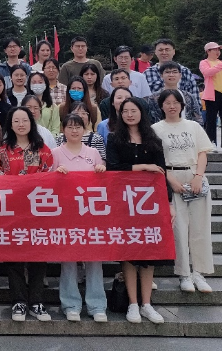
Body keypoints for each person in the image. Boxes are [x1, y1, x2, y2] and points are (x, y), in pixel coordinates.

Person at [106, 97, 173, 324]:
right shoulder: (115, 139)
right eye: (125, 111)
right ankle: (132, 304)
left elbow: (162, 173)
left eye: (133, 110)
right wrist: (143, 166)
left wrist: (169, 204)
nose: (129, 114)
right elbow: (113, 168)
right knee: (128, 252)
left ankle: (146, 304)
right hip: (124, 204)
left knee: (148, 254)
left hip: (150, 206)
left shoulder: (153, 139)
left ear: (142, 113)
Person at [153, 90, 215, 294]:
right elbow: (156, 159)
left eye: (176, 102)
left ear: (182, 105)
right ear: (161, 106)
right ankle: (184, 274)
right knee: (178, 229)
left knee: (200, 227)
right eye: (167, 102)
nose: (172, 106)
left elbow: (202, 152)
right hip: (171, 177)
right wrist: (170, 180)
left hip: (195, 175)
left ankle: (199, 273)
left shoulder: (193, 126)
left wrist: (198, 176)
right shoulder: (156, 129)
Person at [0, 106, 53, 322]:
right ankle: (19, 301)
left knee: (38, 256)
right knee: (14, 257)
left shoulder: (42, 149)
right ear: (10, 125)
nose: (21, 124)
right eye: (16, 121)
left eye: (25, 120)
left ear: (32, 123)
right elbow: (1, 175)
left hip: (38, 211)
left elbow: (47, 177)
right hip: (12, 210)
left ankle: (36, 301)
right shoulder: (4, 150)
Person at [52, 114, 108, 323]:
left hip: (90, 214)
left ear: (85, 129)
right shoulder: (56, 153)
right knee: (68, 260)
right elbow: (46, 182)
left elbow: (104, 183)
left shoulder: (93, 153)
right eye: (70, 127)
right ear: (63, 130)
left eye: (78, 127)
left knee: (94, 260)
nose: (74, 131)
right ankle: (70, 304)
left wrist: (101, 170)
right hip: (65, 214)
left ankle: (97, 305)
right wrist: (55, 173)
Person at [144, 39, 200, 108]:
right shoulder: (147, 73)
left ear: (173, 51)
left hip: (183, 111)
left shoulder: (185, 71)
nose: (164, 52)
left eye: (167, 50)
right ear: (155, 52)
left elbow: (195, 95)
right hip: (156, 112)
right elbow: (144, 98)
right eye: (160, 50)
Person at [199, 42, 222, 151]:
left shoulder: (220, 62)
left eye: (218, 50)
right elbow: (207, 72)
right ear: (208, 51)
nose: (218, 52)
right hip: (212, 93)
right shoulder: (204, 62)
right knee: (211, 119)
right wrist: (220, 65)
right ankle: (211, 142)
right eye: (215, 49)